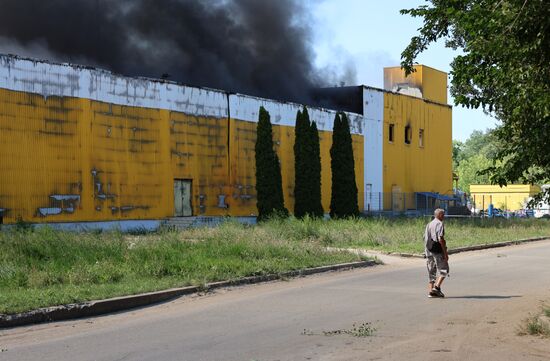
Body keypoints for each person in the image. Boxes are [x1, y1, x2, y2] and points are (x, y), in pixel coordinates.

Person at [424, 208, 449, 298]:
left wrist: (426, 252)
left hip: (429, 251)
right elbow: (440, 239)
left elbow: (425, 239)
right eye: (442, 214)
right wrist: (445, 253)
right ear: (437, 215)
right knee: (444, 269)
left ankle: (431, 292)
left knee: (432, 271)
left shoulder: (429, 224)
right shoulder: (439, 224)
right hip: (437, 251)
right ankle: (436, 288)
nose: (444, 216)